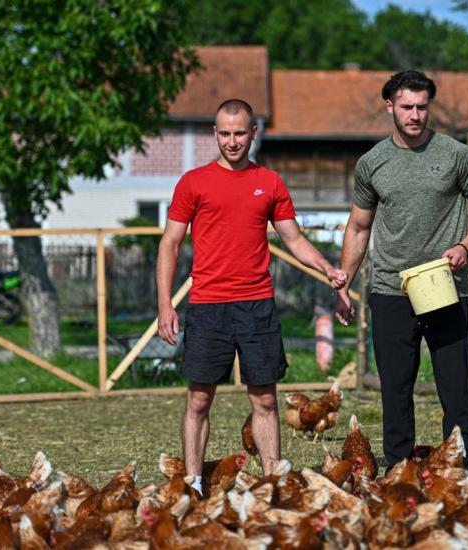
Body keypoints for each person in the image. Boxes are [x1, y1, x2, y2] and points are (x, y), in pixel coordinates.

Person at [157, 98, 347, 493]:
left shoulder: (271, 182)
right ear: (214, 133)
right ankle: (192, 483)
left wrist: (327, 268)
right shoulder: (193, 182)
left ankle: (272, 481)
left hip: (257, 306)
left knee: (264, 401)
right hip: (208, 306)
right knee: (198, 401)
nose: (232, 141)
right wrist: (165, 304)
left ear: (253, 133)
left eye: (239, 133)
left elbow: (294, 239)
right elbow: (170, 244)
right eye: (224, 133)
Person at [335, 70, 468, 474]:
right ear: (389, 105)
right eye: (407, 106)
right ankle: (399, 471)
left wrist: (464, 246)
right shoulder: (372, 163)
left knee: (457, 389)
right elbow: (358, 227)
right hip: (390, 289)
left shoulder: (456, 155)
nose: (415, 115)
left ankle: (463, 473)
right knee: (395, 390)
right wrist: (343, 282)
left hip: (444, 288)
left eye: (422, 107)